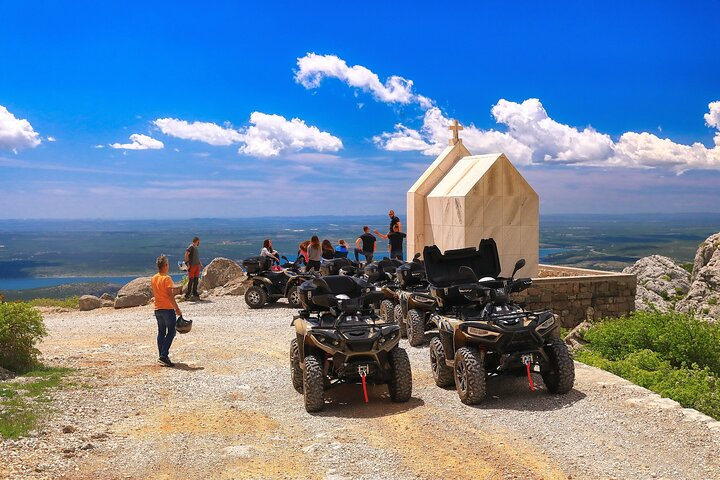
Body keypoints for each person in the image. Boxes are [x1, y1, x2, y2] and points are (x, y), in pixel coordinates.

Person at [152, 255, 183, 367]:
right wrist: (177, 308)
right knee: (171, 332)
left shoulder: (154, 278)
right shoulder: (167, 279)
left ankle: (162, 355)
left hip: (157, 309)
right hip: (167, 309)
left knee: (161, 332)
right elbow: (170, 295)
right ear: (165, 266)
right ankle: (163, 356)